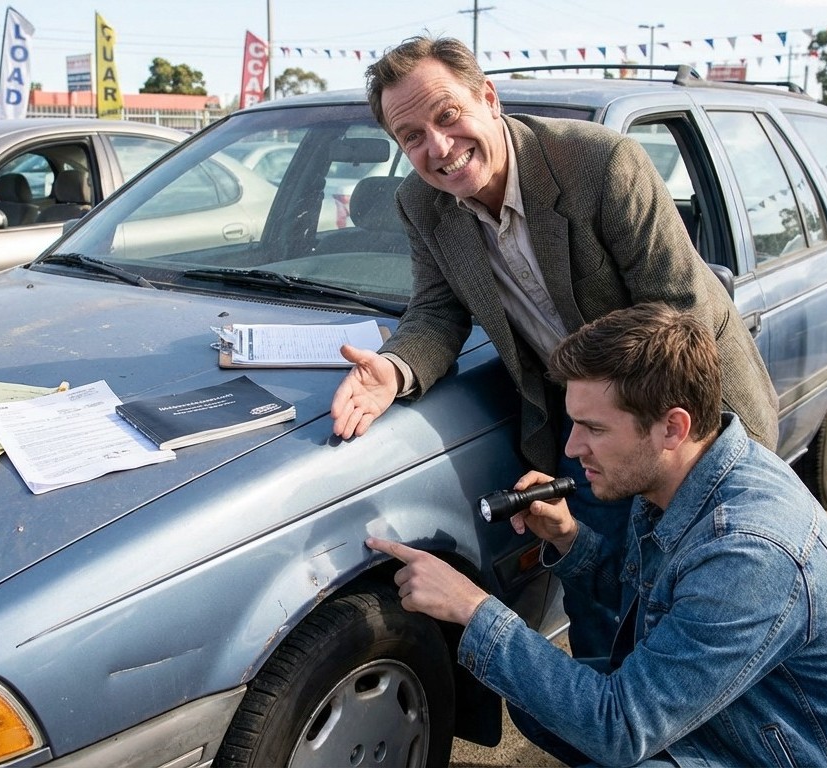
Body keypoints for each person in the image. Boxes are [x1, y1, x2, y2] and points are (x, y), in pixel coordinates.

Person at [330, 35, 778, 657]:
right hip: (584, 425)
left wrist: (627, 427)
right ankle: (605, 725)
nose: (438, 147)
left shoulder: (601, 164)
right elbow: (437, 311)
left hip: (688, 417)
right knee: (598, 602)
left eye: (448, 115)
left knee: (695, 606)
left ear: (487, 97)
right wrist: (397, 369)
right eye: (411, 137)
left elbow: (679, 315)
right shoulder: (422, 204)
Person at [366, 303, 827, 767]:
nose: (572, 448)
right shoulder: (682, 475)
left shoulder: (751, 552)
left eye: (594, 428)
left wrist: (474, 608)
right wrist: (569, 538)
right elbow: (657, 604)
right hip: (752, 722)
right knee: (540, 701)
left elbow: (620, 725)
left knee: (590, 721)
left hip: (812, 756)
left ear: (671, 427)